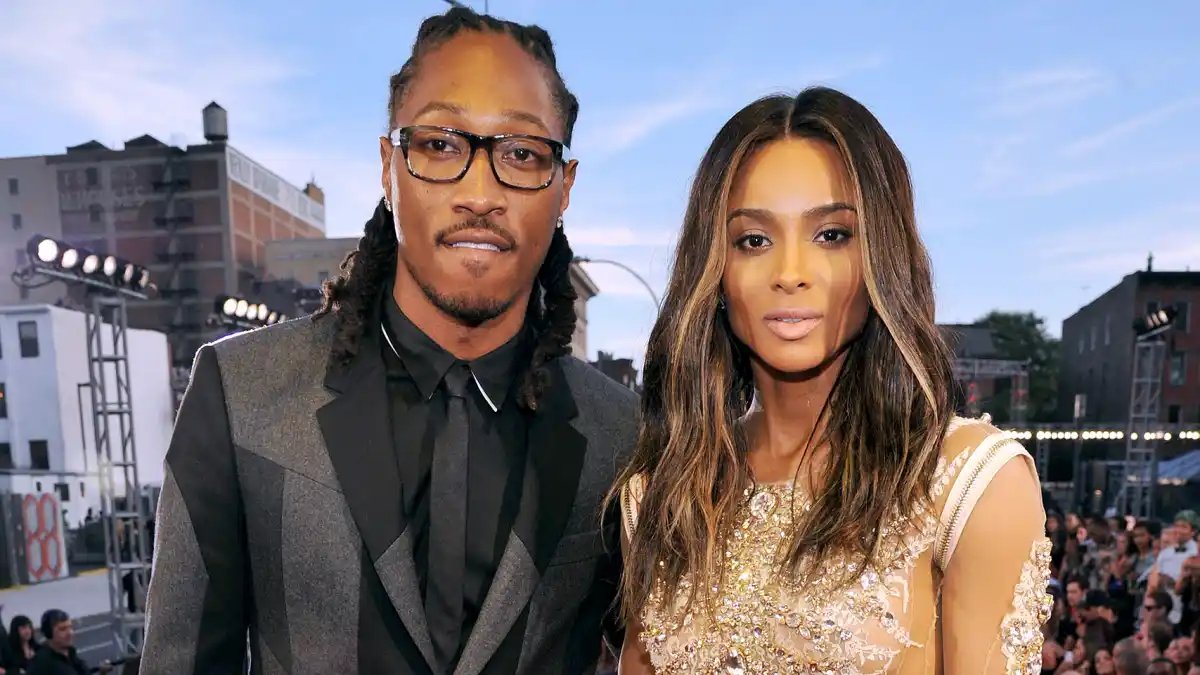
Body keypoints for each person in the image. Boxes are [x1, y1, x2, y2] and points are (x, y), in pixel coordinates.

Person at [140, 7, 637, 675]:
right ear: (388, 164)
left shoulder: (621, 433)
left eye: (521, 153)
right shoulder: (239, 394)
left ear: (564, 186)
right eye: (440, 144)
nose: (480, 192)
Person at [613, 87, 1052, 673]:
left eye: (831, 235)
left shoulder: (966, 484)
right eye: (753, 241)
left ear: (882, 255)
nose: (790, 273)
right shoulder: (661, 492)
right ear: (715, 270)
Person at [25, 611, 110, 675]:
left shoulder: (71, 654)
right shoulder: (41, 663)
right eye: (63, 629)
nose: (70, 633)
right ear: (48, 633)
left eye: (70, 628)